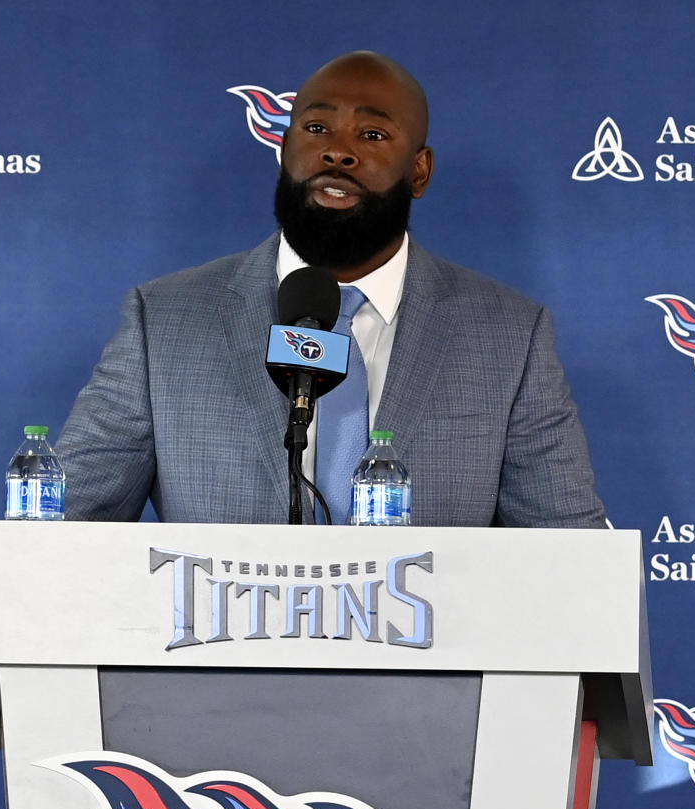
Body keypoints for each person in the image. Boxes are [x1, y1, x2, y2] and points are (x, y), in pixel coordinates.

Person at [58, 51, 606, 528]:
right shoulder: (165, 320)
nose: (337, 153)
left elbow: (567, 550)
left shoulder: (508, 334)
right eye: (316, 129)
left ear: (420, 170)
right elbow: (61, 529)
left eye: (371, 136)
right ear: (284, 146)